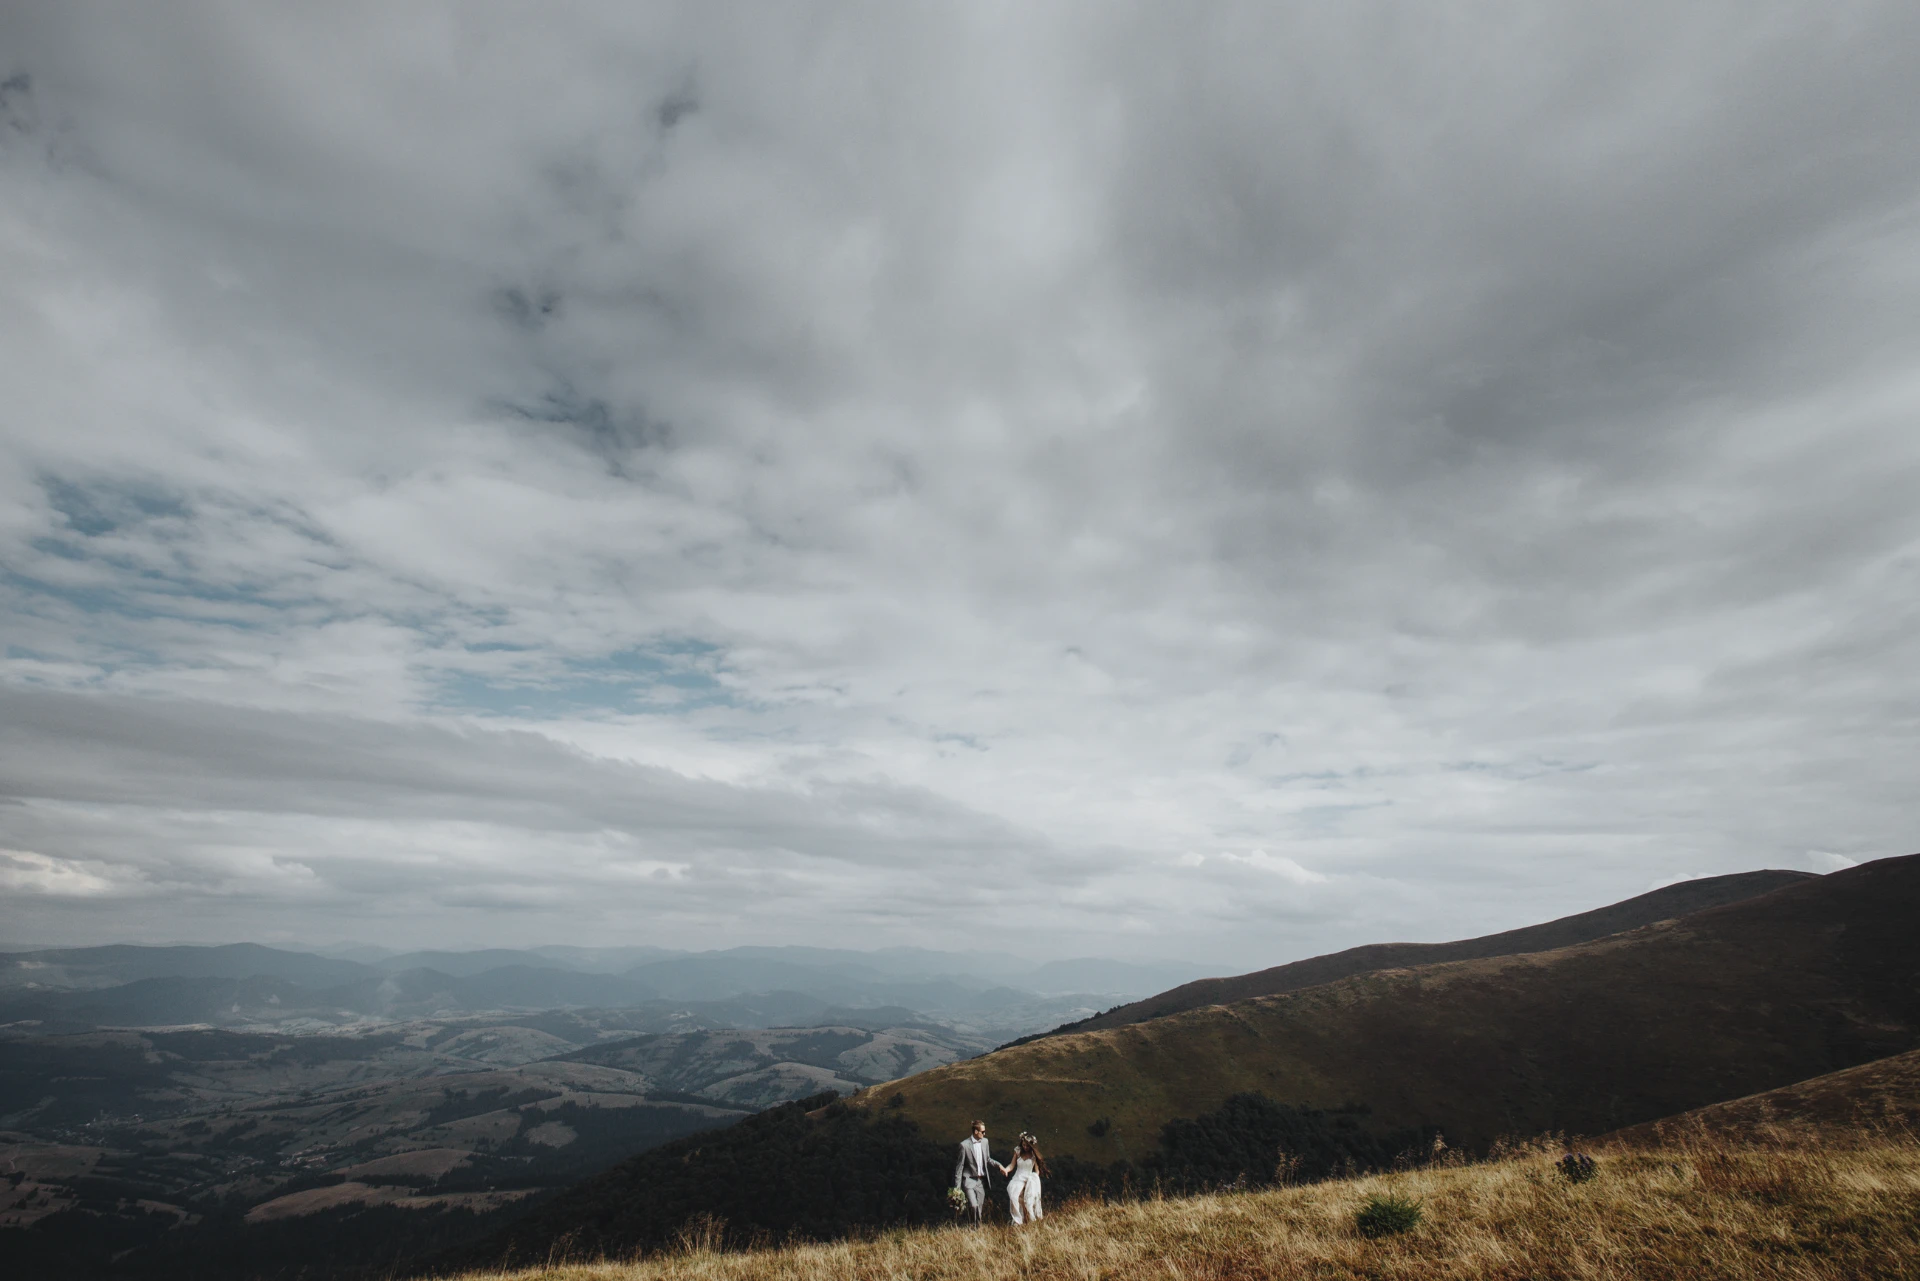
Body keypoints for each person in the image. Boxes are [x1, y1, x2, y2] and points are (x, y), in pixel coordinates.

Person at [953, 1119, 997, 1225]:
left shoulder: (985, 1142)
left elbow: (988, 1159)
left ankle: (976, 1230)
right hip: (969, 1180)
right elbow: (959, 1167)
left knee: (979, 1209)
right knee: (973, 1205)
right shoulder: (964, 1145)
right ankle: (974, 1227)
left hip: (981, 1181)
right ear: (976, 1132)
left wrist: (1000, 1167)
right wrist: (957, 1189)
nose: (985, 1134)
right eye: (983, 1132)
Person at [998, 1131, 1047, 1225]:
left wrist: (1034, 1179)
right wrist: (1006, 1170)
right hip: (1018, 1178)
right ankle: (1017, 1220)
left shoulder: (1033, 1155)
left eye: (1027, 1146)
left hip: (1029, 1178)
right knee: (1013, 1197)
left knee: (1027, 1201)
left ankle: (1027, 1220)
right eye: (1024, 1145)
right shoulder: (1017, 1151)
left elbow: (1037, 1170)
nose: (1025, 1147)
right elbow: (1012, 1165)